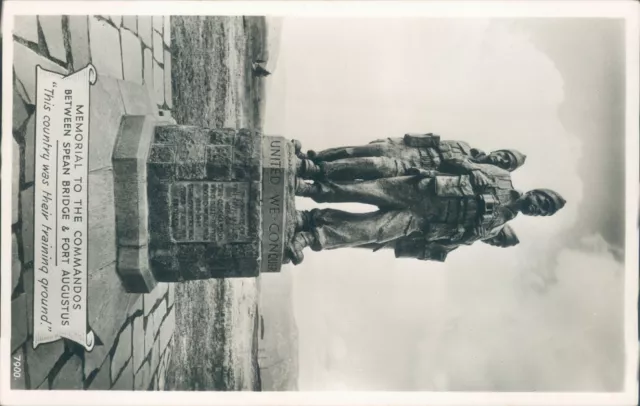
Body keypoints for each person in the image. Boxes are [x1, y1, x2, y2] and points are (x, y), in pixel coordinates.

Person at [286, 163, 565, 264]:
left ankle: (309, 236)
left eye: (543, 211)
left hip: (422, 221)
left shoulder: (495, 228)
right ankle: (307, 187)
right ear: (535, 191)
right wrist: (475, 172)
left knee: (369, 231)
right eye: (542, 201)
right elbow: (454, 161)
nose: (538, 207)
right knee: (362, 190)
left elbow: (461, 239)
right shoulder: (502, 177)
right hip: (421, 190)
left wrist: (459, 237)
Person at [295, 133, 527, 184]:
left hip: (407, 169)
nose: (502, 160)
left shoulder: (473, 173)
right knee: (352, 151)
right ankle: (311, 157)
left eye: (507, 164)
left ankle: (313, 172)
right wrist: (395, 140)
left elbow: (445, 172)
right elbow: (430, 140)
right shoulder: (465, 146)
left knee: (363, 169)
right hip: (402, 149)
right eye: (505, 156)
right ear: (500, 150)